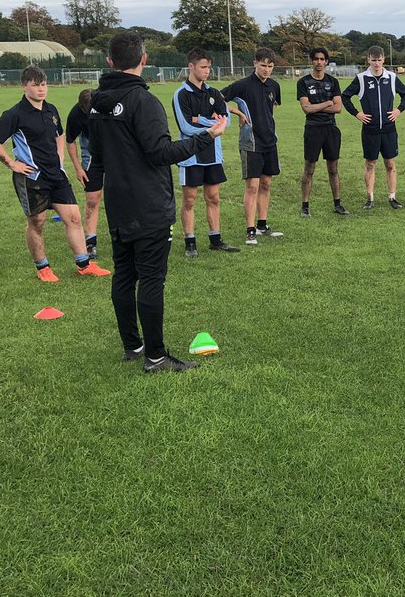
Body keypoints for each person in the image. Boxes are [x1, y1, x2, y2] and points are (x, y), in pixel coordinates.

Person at [88, 30, 228, 372]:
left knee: (124, 274)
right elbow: (161, 153)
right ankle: (155, 356)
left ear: (110, 62)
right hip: (147, 203)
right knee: (150, 278)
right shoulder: (143, 101)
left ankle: (132, 346)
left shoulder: (96, 102)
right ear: (144, 60)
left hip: (118, 202)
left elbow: (98, 154)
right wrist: (207, 136)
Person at [0, 66, 110, 282]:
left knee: (73, 217)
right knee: (38, 221)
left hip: (56, 175)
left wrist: (60, 158)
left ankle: (84, 264)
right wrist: (11, 163)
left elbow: (60, 134)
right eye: (35, 85)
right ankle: (43, 268)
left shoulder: (51, 110)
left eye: (43, 84)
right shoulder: (15, 114)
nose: (41, 89)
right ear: (24, 86)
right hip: (32, 177)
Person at [172, 48, 242, 256]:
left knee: (213, 197)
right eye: (203, 67)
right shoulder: (181, 94)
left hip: (213, 154)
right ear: (191, 67)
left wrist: (201, 119)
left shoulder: (213, 93)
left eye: (209, 67)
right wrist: (212, 125)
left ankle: (215, 239)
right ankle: (190, 242)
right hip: (190, 154)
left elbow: (226, 120)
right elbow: (186, 127)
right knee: (190, 199)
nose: (207, 71)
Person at [222, 48, 284, 245]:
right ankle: (250, 230)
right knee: (252, 186)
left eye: (270, 66)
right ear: (255, 63)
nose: (267, 70)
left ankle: (262, 225)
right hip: (250, 143)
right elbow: (216, 99)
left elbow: (271, 111)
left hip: (270, 142)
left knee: (266, 184)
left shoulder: (275, 86)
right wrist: (238, 113)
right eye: (263, 65)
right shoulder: (242, 85)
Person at [341, 46, 405, 210]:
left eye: (379, 60)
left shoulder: (392, 77)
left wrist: (399, 110)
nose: (377, 64)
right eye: (374, 60)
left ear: (384, 59)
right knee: (370, 163)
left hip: (389, 130)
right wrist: (357, 114)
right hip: (370, 130)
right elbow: (345, 97)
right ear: (368, 60)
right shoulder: (361, 78)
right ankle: (370, 198)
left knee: (390, 164)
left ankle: (392, 197)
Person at [296, 46, 348, 217]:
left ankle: (338, 204)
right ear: (312, 61)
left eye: (322, 59)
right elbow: (307, 109)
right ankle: (305, 206)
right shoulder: (303, 83)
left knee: (333, 168)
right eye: (316, 59)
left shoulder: (333, 82)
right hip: (312, 129)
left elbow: (339, 108)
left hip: (330, 129)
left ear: (326, 62)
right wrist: (327, 103)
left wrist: (317, 106)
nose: (319, 62)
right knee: (309, 168)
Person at [65, 88, 104, 260]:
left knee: (123, 194)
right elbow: (70, 141)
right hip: (91, 155)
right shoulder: (75, 115)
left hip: (114, 151)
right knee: (92, 198)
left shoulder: (107, 106)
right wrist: (78, 168)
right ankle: (90, 241)